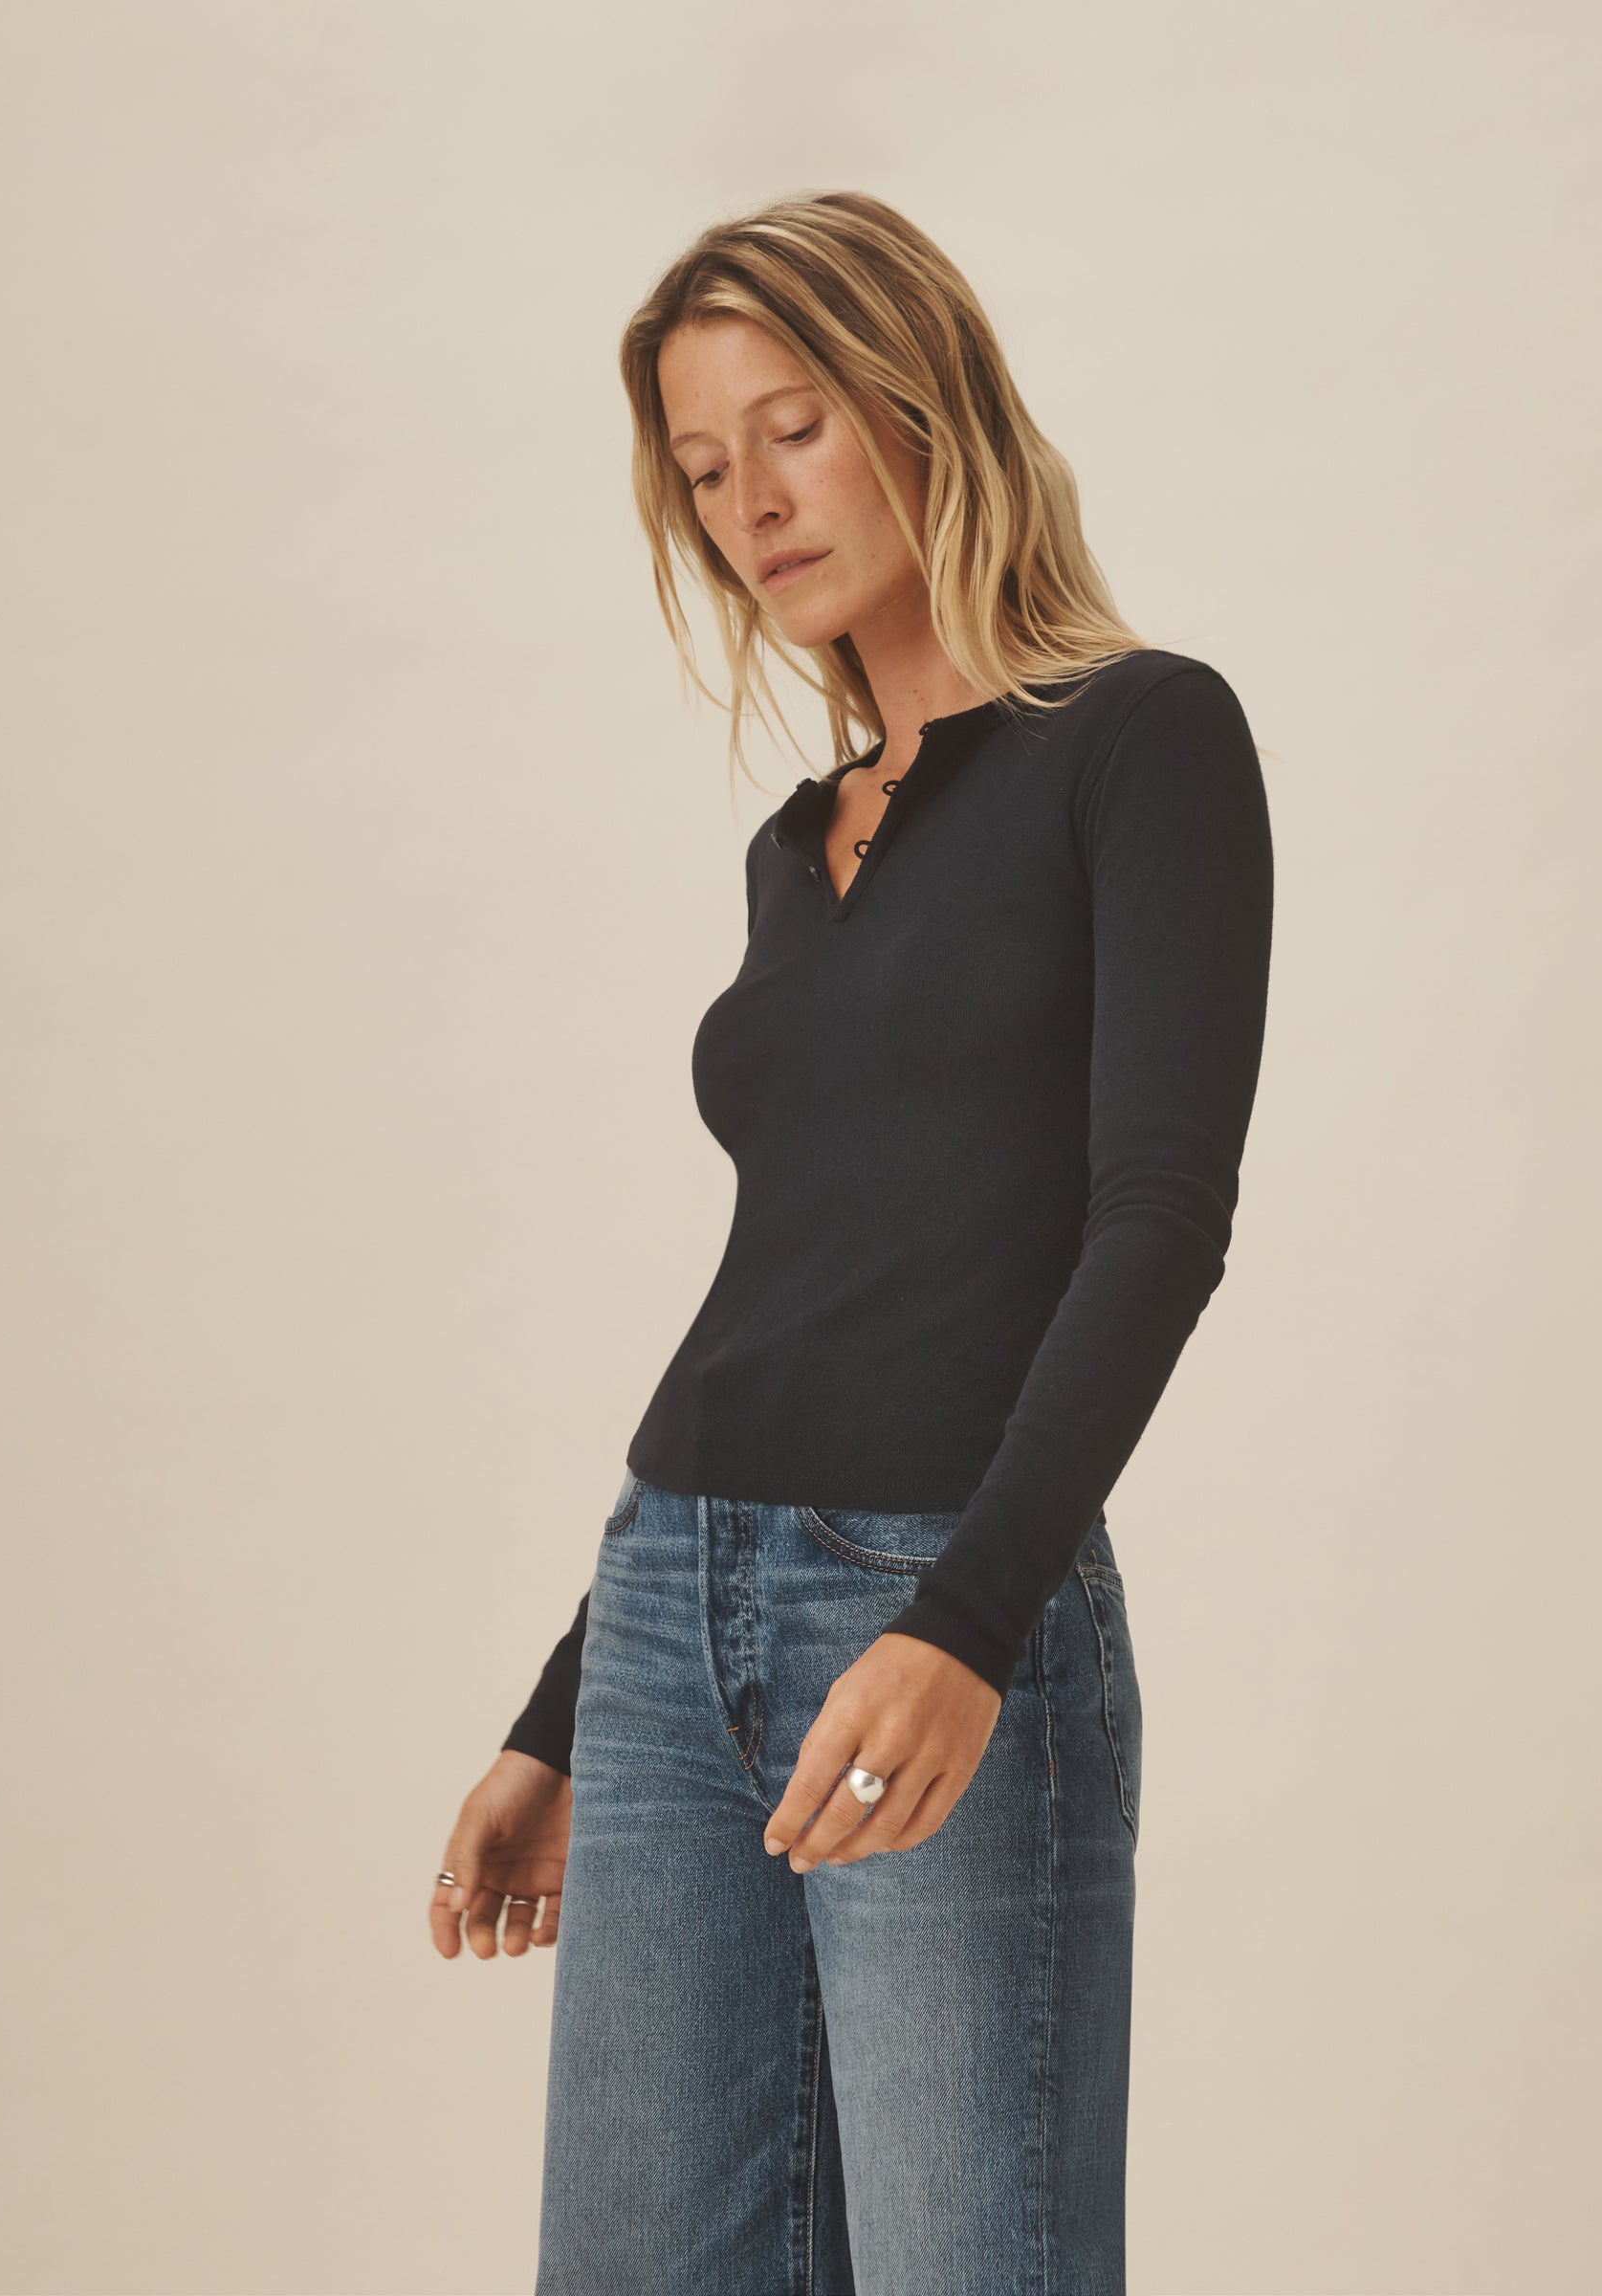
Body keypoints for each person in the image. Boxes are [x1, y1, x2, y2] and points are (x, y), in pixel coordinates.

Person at [428, 189, 1274, 2296]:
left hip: (933, 1591)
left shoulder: (1143, 742)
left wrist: (970, 1622)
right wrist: (567, 1701)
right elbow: (789, 1276)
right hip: (667, 1609)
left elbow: (1159, 1218)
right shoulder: (798, 842)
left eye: (792, 428)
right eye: (705, 466)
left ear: (922, 400)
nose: (752, 502)